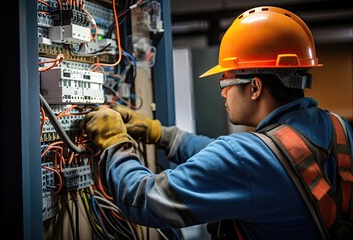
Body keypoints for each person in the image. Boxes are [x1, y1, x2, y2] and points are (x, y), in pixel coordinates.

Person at [80, 6, 353, 240]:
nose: (223, 91)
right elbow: (245, 163)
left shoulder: (244, 158)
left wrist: (114, 141)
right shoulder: (339, 128)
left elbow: (143, 199)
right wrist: (161, 135)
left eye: (226, 81)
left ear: (255, 87)